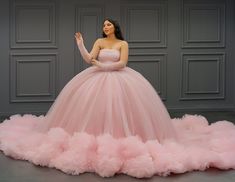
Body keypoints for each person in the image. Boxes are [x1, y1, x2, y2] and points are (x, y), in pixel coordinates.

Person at [0, 18, 235, 178]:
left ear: (115, 27)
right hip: (96, 78)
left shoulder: (122, 43)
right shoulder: (99, 42)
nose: (105, 26)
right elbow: (88, 59)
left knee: (123, 112)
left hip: (119, 78)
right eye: (103, 24)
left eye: (108, 24)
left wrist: (104, 66)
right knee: (92, 111)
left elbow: (123, 63)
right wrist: (81, 45)